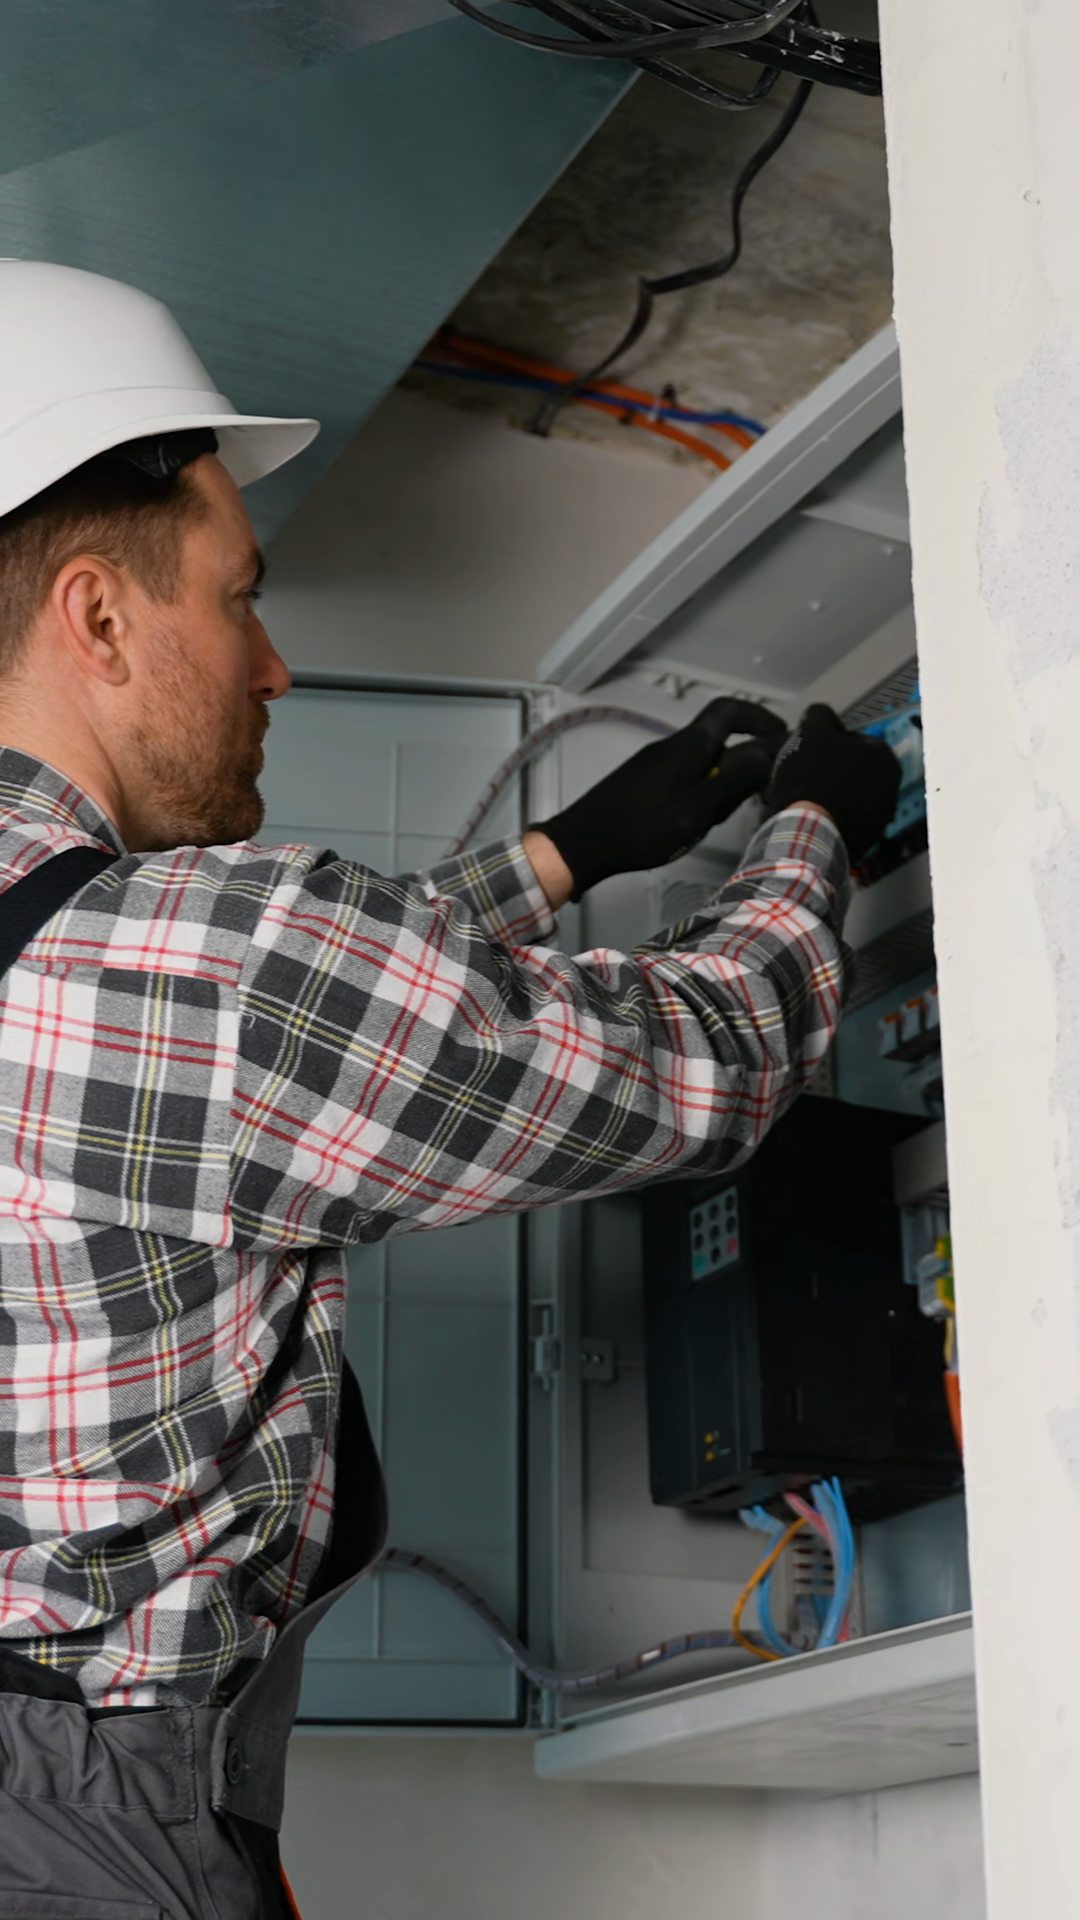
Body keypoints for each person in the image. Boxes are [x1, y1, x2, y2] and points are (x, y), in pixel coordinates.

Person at [0, 261, 900, 1917]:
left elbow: (245, 1048)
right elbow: (708, 1063)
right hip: (99, 1823)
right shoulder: (203, 977)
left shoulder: (105, 970)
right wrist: (817, 831)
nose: (271, 665)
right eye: (239, 596)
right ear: (100, 616)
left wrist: (559, 858)